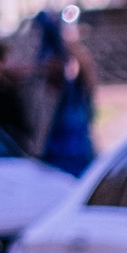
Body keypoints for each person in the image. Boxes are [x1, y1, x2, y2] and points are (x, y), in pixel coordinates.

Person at [28, 10, 96, 175]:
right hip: (56, 158)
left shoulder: (75, 93)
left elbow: (87, 73)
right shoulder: (41, 93)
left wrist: (67, 42)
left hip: (77, 154)